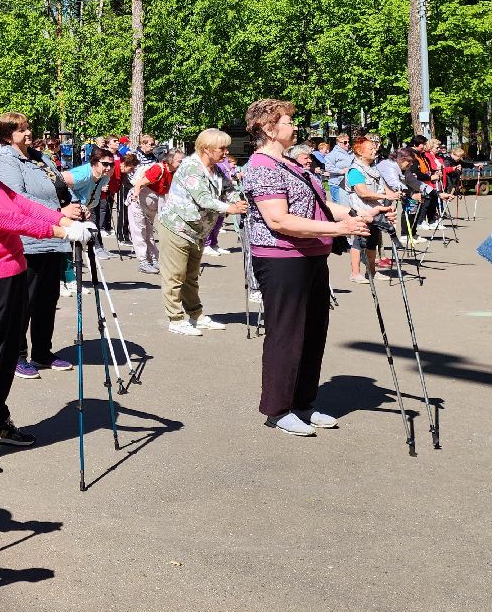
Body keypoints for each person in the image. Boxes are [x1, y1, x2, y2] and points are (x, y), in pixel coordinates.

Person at [0, 118, 93, 474]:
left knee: (8, 352)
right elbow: (12, 219)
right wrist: (60, 230)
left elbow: (22, 204)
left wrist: (64, 220)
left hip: (12, 275)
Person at [242, 99, 374, 437]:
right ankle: (277, 408)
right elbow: (279, 219)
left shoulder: (291, 163)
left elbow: (319, 203)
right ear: (269, 128)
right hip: (281, 258)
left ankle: (302, 403)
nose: (295, 126)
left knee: (314, 332)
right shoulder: (261, 166)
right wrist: (340, 230)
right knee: (286, 334)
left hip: (312, 255)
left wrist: (355, 214)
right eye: (288, 121)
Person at [0, 112, 81, 378]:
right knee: (24, 303)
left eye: (28, 128)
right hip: (27, 241)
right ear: (7, 136)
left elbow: (62, 188)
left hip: (54, 237)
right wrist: (61, 212)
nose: (28, 133)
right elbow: (17, 198)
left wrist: (75, 206)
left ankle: (42, 352)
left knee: (46, 300)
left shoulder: (42, 158)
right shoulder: (5, 161)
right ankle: (16, 356)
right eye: (20, 130)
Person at [155, 129, 248, 336]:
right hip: (177, 228)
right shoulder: (191, 167)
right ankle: (175, 319)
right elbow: (203, 199)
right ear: (206, 149)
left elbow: (228, 189)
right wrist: (230, 208)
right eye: (222, 148)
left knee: (191, 276)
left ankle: (196, 316)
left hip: (198, 232)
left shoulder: (215, 168)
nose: (226, 152)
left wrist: (239, 201)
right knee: (175, 276)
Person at [344, 134, 400, 284]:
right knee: (359, 241)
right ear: (360, 152)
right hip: (361, 211)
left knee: (372, 242)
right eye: (370, 148)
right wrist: (385, 195)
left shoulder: (373, 169)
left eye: (375, 147)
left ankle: (372, 273)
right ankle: (355, 273)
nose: (375, 150)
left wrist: (393, 196)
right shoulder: (355, 170)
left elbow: (386, 190)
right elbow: (363, 193)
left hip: (375, 210)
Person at [127, 149, 179, 274]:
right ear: (170, 160)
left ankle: (153, 259)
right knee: (139, 231)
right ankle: (143, 261)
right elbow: (139, 183)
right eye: (179, 161)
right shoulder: (158, 169)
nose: (181, 163)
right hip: (139, 201)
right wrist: (135, 196)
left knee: (149, 232)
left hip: (152, 204)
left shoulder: (173, 172)